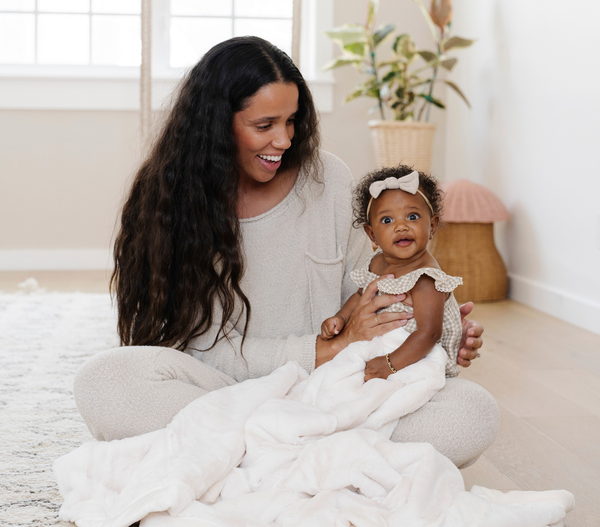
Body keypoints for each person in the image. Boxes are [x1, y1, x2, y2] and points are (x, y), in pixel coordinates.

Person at [74, 36, 498, 468]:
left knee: (472, 412)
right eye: (264, 125)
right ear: (217, 125)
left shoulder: (328, 178)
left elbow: (371, 286)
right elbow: (188, 347)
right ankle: (318, 461)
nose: (283, 140)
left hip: (334, 391)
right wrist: (319, 349)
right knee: (105, 381)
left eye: (292, 121)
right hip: (227, 391)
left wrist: (428, 329)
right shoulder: (171, 201)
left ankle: (244, 459)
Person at [321, 166, 462, 381]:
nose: (401, 226)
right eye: (387, 220)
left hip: (416, 355)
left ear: (432, 226)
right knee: (332, 378)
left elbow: (429, 334)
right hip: (383, 346)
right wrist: (340, 317)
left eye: (412, 216)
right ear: (372, 235)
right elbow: (361, 296)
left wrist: (389, 365)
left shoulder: (426, 278)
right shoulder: (377, 262)